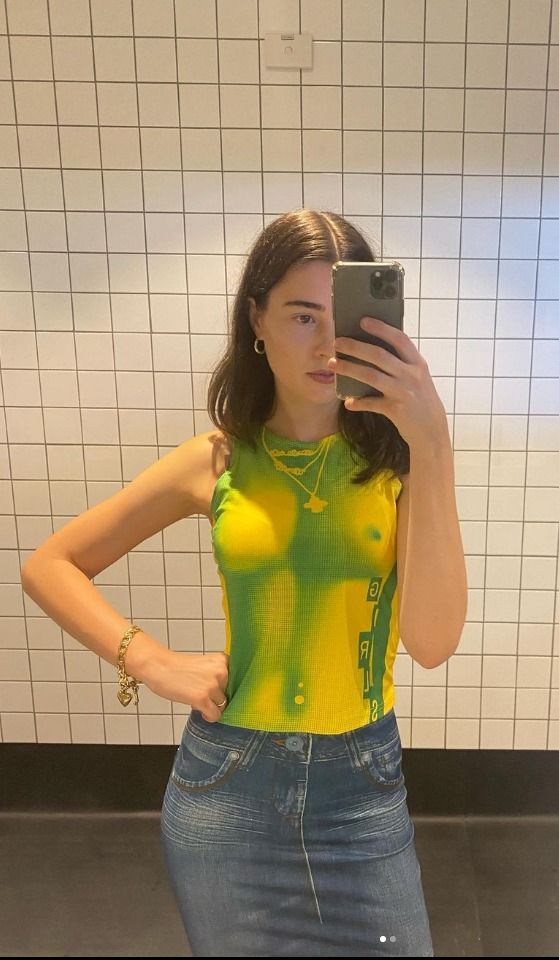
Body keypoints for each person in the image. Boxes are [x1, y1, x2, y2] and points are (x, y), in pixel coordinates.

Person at [22, 209, 443, 957]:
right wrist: (152, 661)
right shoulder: (215, 461)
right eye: (301, 316)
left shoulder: (398, 464)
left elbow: (433, 643)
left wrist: (432, 441)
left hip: (362, 791)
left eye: (341, 319)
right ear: (257, 320)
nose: (325, 345)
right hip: (228, 790)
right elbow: (49, 565)